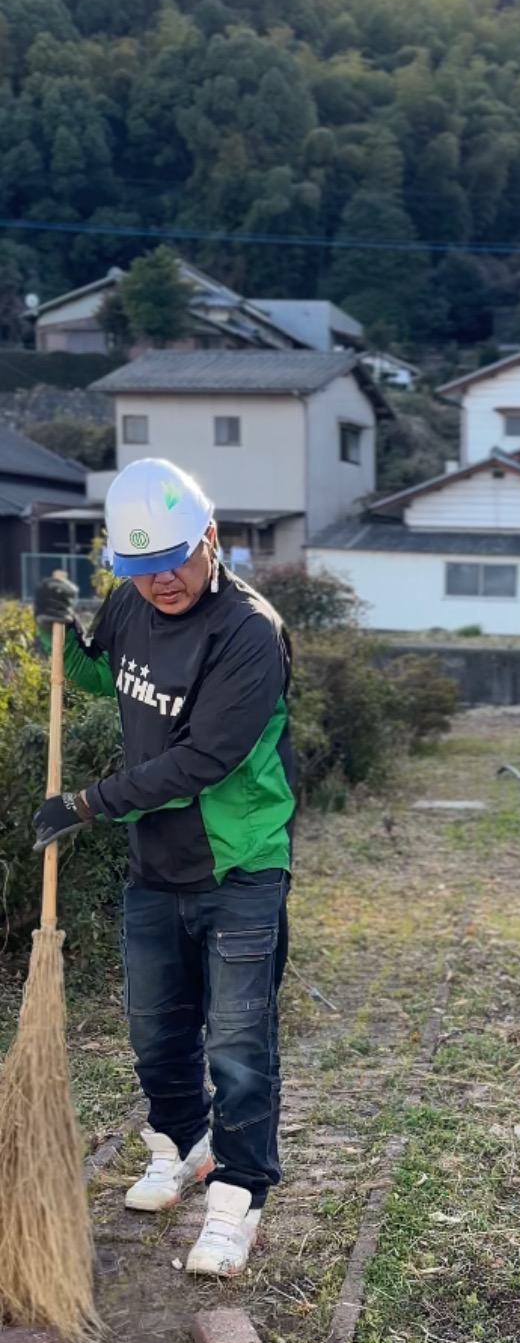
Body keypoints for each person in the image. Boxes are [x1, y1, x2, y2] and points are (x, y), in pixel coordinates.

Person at [33, 458, 296, 1278]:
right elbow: (106, 678)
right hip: (156, 866)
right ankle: (181, 1147)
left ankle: (239, 1199)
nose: (160, 586)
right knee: (155, 1035)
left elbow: (203, 761)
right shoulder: (133, 600)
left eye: (173, 564)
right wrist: (63, 632)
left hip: (240, 868)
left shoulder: (249, 632)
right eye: (139, 572)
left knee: (240, 1048)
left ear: (209, 539)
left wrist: (85, 804)